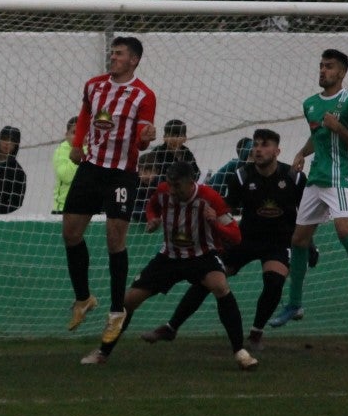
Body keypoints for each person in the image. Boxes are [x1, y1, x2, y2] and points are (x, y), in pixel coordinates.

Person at [80, 161, 257, 370]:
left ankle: (240, 351)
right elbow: (152, 205)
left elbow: (236, 237)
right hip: (169, 257)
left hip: (202, 256)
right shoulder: (163, 191)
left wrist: (215, 223)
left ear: (191, 183)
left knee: (220, 286)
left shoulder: (211, 199)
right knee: (127, 302)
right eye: (170, 185)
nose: (172, 190)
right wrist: (153, 219)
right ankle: (103, 352)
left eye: (177, 186)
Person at [140, 128, 305, 351]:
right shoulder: (241, 176)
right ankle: (171, 327)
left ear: (277, 150)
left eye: (264, 145)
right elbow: (228, 207)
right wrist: (214, 221)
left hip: (278, 242)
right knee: (208, 278)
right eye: (256, 144)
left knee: (274, 281)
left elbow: (306, 211)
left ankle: (256, 333)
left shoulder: (294, 178)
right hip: (245, 239)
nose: (258, 149)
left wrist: (307, 243)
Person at [270, 48, 348, 325]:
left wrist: (339, 128)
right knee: (298, 240)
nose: (322, 70)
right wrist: (301, 153)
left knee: (344, 231)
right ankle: (294, 304)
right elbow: (317, 136)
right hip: (316, 179)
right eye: (320, 66)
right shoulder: (310, 104)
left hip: (340, 177)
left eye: (328, 66)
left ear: (341, 72)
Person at [62, 36, 157, 344]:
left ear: (134, 60)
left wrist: (146, 137)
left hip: (120, 175)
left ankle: (117, 311)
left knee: (115, 239)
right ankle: (83, 298)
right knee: (71, 233)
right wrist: (77, 145)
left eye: (119, 54)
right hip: (91, 168)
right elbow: (86, 117)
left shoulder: (143, 95)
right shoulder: (94, 85)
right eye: (112, 53)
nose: (112, 57)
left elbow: (142, 141)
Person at [133, 119, 199, 221]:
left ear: (185, 138)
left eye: (177, 136)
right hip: (158, 193)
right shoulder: (158, 153)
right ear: (164, 137)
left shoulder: (187, 153)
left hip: (181, 192)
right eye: (169, 136)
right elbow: (150, 175)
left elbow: (196, 172)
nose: (173, 139)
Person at [51, 116, 80, 214]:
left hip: (87, 209)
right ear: (66, 135)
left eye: (82, 133)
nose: (78, 137)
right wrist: (79, 153)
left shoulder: (92, 151)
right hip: (63, 209)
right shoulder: (60, 151)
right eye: (74, 133)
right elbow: (66, 176)